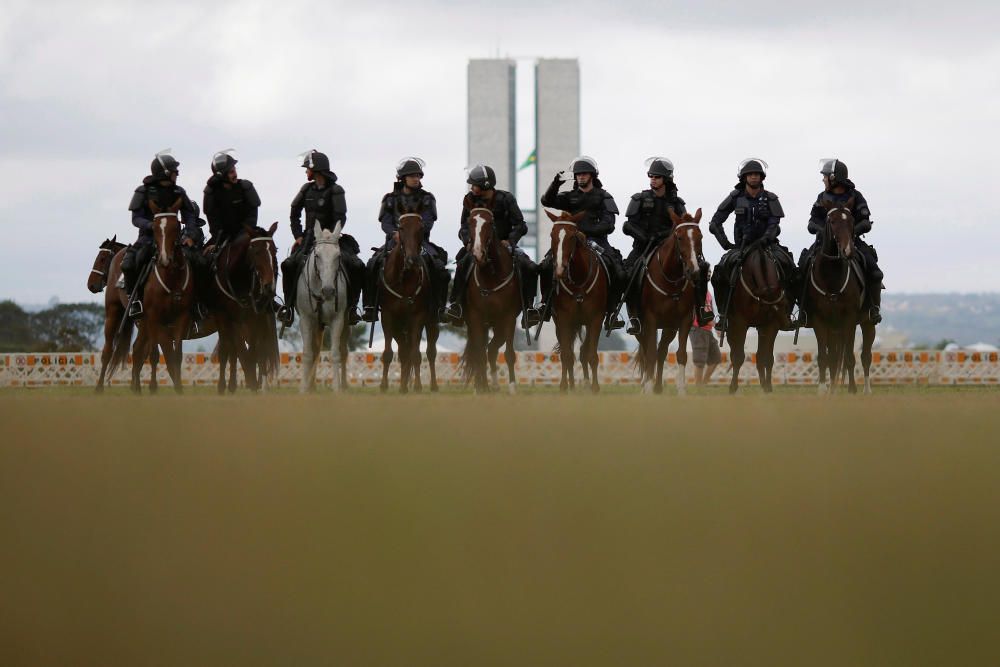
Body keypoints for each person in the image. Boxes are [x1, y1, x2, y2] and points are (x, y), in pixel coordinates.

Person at [621, 157, 712, 335]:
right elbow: (628, 225)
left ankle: (701, 310)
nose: (653, 179)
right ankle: (633, 317)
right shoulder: (639, 199)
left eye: (657, 176)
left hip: (673, 247)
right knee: (627, 274)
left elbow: (684, 226)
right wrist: (646, 237)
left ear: (666, 179)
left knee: (700, 269)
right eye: (651, 176)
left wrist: (666, 236)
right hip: (643, 247)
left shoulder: (677, 203)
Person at [445, 164, 540, 328]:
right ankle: (456, 305)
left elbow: (521, 226)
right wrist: (468, 241)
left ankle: (529, 309)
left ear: (485, 185)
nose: (472, 187)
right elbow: (463, 227)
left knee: (530, 267)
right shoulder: (469, 200)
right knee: (462, 263)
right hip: (476, 245)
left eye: (474, 184)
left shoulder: (506, 199)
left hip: (505, 245)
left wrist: (509, 241)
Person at [277, 150, 365, 326]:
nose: (305, 172)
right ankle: (288, 308)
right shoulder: (306, 189)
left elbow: (341, 216)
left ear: (316, 170)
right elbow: (294, 213)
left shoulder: (336, 190)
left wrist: (330, 237)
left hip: (333, 239)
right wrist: (298, 235)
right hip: (309, 238)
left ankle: (352, 308)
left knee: (357, 265)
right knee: (288, 265)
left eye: (307, 169)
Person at [537, 155, 625, 330]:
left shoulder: (604, 196)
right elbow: (546, 201)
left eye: (584, 174)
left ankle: (612, 312)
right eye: (578, 174)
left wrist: (585, 232)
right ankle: (545, 306)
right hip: (570, 241)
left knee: (619, 271)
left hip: (597, 241)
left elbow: (609, 224)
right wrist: (556, 183)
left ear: (592, 175)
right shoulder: (570, 196)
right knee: (546, 265)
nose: (581, 177)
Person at [708, 158, 796, 332]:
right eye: (750, 175)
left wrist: (766, 237)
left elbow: (774, 223)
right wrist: (726, 244)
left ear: (762, 177)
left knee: (792, 269)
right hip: (742, 247)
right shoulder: (735, 197)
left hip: (768, 245)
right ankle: (724, 315)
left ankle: (787, 313)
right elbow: (715, 223)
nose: (754, 177)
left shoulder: (771, 198)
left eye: (757, 174)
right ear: (744, 177)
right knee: (718, 275)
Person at [361, 157, 450, 323]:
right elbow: (385, 222)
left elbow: (428, 222)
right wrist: (394, 233)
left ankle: (440, 308)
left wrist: (414, 234)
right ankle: (370, 307)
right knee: (372, 264)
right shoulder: (389, 198)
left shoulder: (427, 198)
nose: (416, 178)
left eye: (418, 175)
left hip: (420, 241)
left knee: (439, 268)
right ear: (403, 178)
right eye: (412, 175)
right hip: (394, 241)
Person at [795, 159, 883, 325]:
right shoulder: (822, 197)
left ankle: (873, 309)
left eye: (825, 177)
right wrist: (826, 232)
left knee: (875, 272)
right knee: (801, 270)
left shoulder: (856, 196)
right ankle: (804, 312)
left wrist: (849, 233)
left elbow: (865, 222)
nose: (823, 180)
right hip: (824, 243)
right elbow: (812, 222)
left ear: (834, 178)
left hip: (852, 242)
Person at [121, 150, 202, 319]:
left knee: (199, 262)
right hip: (148, 239)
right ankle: (135, 300)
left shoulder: (179, 192)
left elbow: (189, 216)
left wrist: (190, 235)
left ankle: (198, 303)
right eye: (174, 171)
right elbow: (136, 218)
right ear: (165, 172)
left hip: (175, 240)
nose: (177, 174)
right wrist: (152, 226)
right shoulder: (143, 191)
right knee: (129, 264)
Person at [689, 291, 721, 385]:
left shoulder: (707, 292)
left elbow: (709, 311)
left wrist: (715, 326)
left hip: (707, 329)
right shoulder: (696, 291)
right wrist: (716, 326)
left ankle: (703, 383)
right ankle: (698, 386)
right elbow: (701, 312)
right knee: (700, 360)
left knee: (716, 358)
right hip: (697, 328)